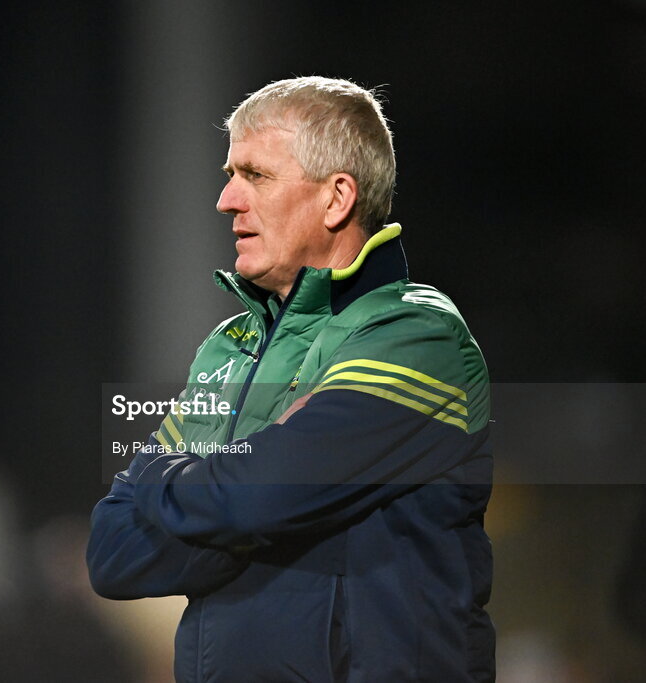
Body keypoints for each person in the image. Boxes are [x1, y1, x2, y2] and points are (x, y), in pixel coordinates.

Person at [87, 77, 494, 682]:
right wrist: (246, 496)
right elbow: (112, 552)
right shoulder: (228, 348)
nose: (226, 200)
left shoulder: (414, 335)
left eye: (255, 175)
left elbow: (253, 500)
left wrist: (172, 480)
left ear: (336, 198)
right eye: (230, 174)